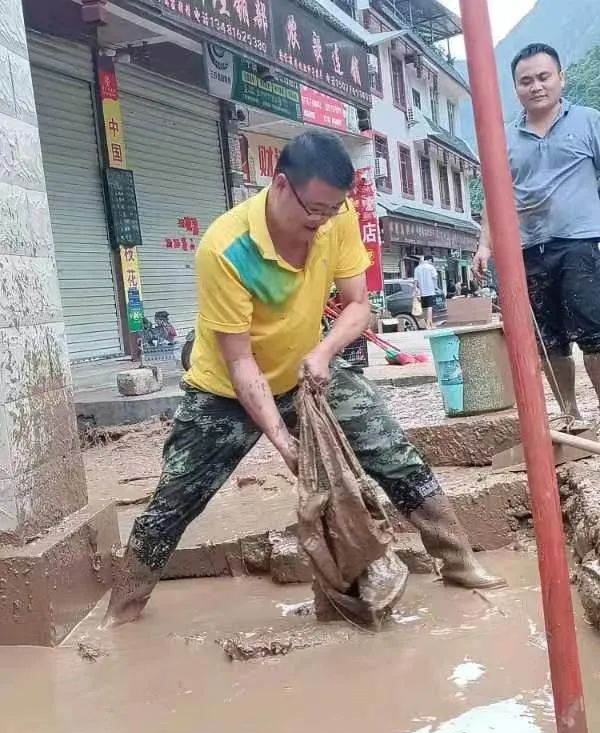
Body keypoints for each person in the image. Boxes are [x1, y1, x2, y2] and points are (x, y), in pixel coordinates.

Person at [103, 132, 505, 628]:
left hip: (307, 375)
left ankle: (459, 561)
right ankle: (120, 614)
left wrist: (323, 352)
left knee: (392, 452)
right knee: (175, 501)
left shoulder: (337, 217)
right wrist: (282, 441)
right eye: (314, 209)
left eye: (332, 210)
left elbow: (358, 306)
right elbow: (241, 362)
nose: (322, 222)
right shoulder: (227, 249)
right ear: (280, 186)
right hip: (224, 391)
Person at [473, 43, 600, 420]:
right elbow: (494, 195)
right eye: (526, 81)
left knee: (594, 335)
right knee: (549, 340)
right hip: (527, 250)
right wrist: (484, 244)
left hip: (580, 245)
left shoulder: (589, 121)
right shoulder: (505, 138)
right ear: (516, 88)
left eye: (544, 77)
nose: (536, 86)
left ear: (561, 78)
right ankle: (570, 415)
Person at [414, 255, 438, 330]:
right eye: (432, 261)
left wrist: (414, 290)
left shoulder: (417, 268)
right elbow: (435, 278)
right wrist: (435, 287)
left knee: (424, 309)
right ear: (430, 260)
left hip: (422, 291)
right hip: (430, 290)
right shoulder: (431, 267)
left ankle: (430, 324)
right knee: (430, 308)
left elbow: (415, 280)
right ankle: (428, 325)